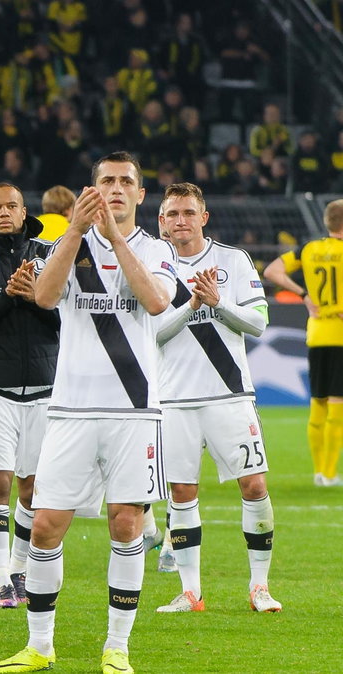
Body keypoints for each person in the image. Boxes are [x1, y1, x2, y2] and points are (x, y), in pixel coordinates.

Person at [0, 152, 177, 674]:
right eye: (106, 182)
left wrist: (116, 238)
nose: (116, 189)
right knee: (46, 525)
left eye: (126, 182)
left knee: (126, 524)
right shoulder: (63, 246)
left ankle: (117, 648)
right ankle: (39, 647)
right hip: (70, 408)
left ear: (141, 195)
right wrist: (76, 232)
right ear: (90, 191)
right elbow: (45, 298)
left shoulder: (155, 249)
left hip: (133, 410)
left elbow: (158, 302)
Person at [152, 182, 281, 614]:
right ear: (161, 221)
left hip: (229, 395)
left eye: (188, 212)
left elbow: (259, 323)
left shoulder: (233, 260)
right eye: (172, 214)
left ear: (203, 217)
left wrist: (218, 302)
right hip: (174, 399)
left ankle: (259, 587)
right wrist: (190, 305)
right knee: (182, 494)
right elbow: (150, 334)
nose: (180, 221)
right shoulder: (153, 265)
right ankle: (191, 593)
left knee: (255, 485)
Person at [0, 184, 59, 609]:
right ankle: (1, 579)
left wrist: (37, 298)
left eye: (11, 206)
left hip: (44, 386)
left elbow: (66, 322)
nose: (3, 213)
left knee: (32, 490)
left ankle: (20, 569)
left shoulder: (49, 253)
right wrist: (8, 294)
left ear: (25, 211)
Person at [263, 199, 343, 486]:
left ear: (327, 221)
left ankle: (319, 472)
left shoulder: (310, 249)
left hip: (317, 333)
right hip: (340, 334)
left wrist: (304, 295)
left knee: (318, 402)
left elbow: (271, 271)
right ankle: (330, 473)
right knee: (337, 404)